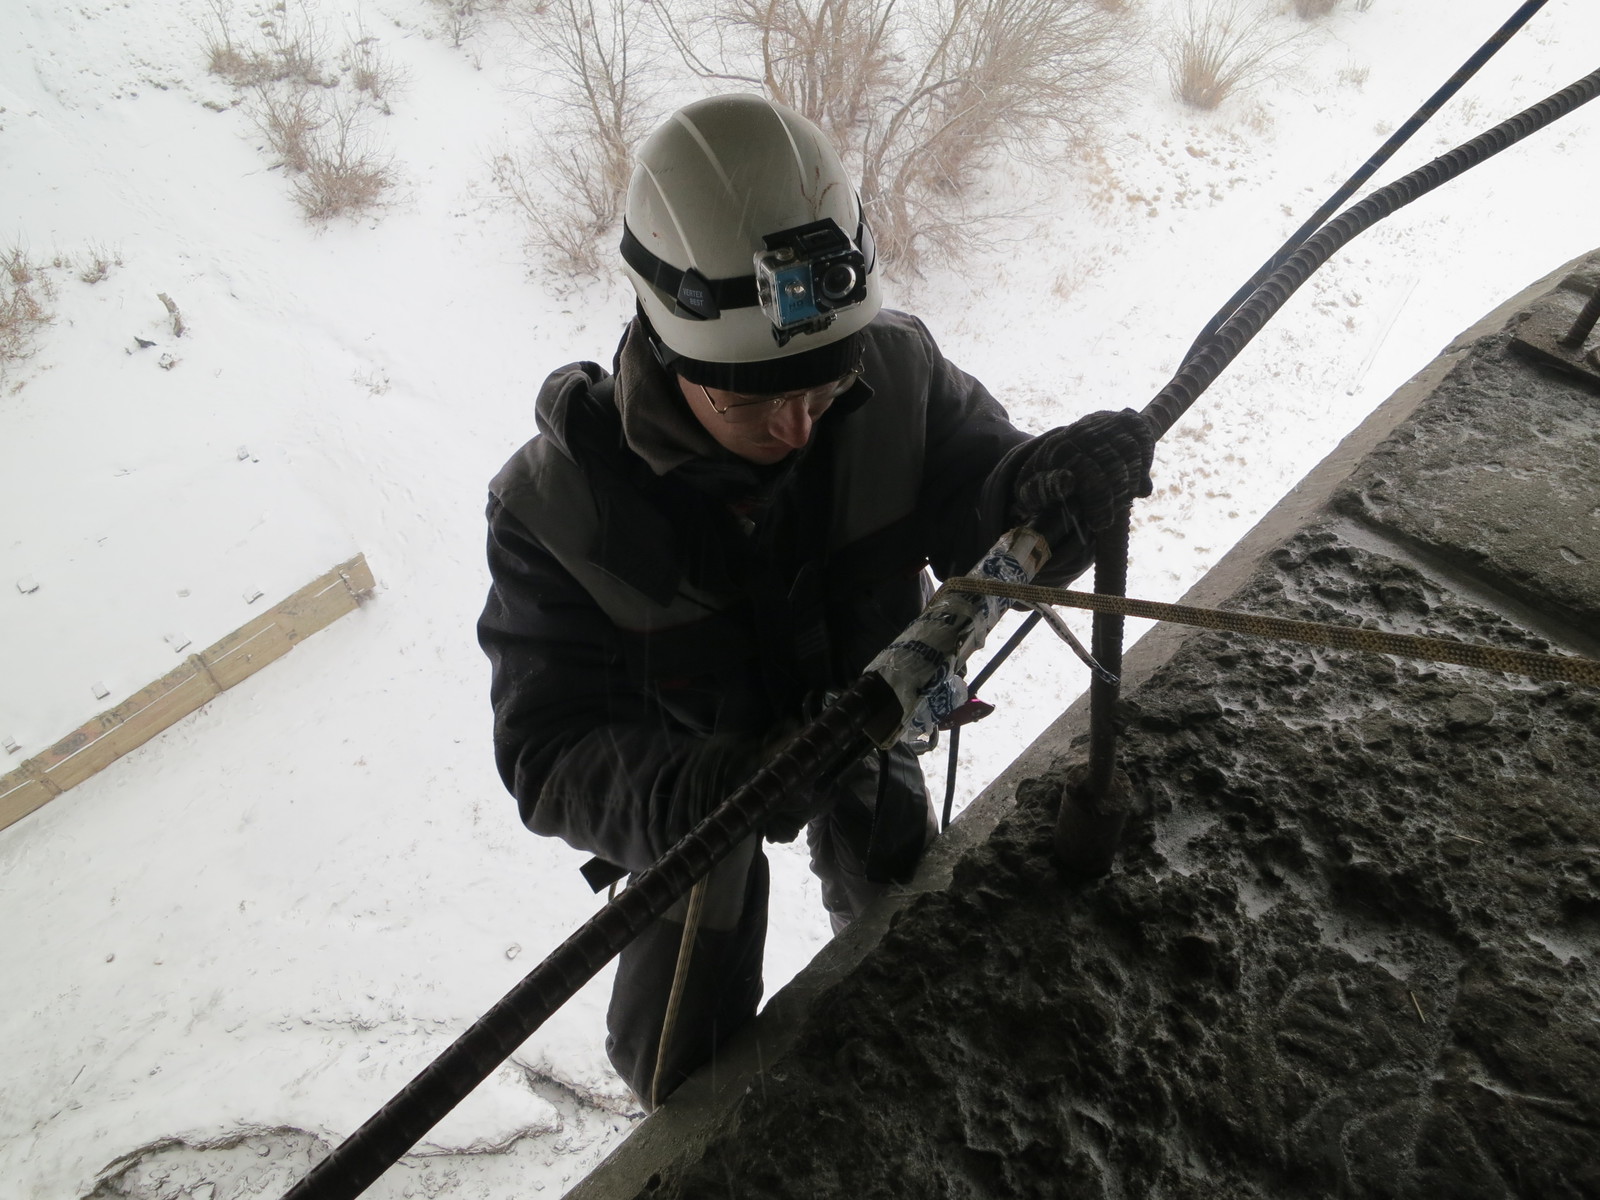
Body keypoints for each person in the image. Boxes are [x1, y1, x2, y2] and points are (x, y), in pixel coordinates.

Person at [477, 93, 1154, 1109]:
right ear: (669, 347)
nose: (798, 428)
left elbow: (984, 503)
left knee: (904, 915)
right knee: (677, 1055)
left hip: (873, 721)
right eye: (753, 402)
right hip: (697, 801)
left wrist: (1044, 492)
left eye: (822, 391)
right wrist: (721, 794)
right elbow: (548, 753)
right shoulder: (555, 512)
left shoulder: (895, 375)